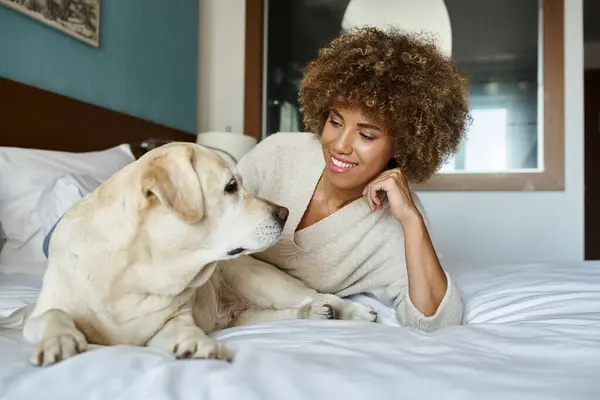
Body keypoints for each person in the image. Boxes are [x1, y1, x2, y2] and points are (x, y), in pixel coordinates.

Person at [235, 27, 471, 332]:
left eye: (366, 134)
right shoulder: (279, 153)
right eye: (335, 122)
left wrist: (411, 221)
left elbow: (436, 322)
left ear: (402, 144)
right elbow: (211, 217)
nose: (340, 144)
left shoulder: (390, 228)